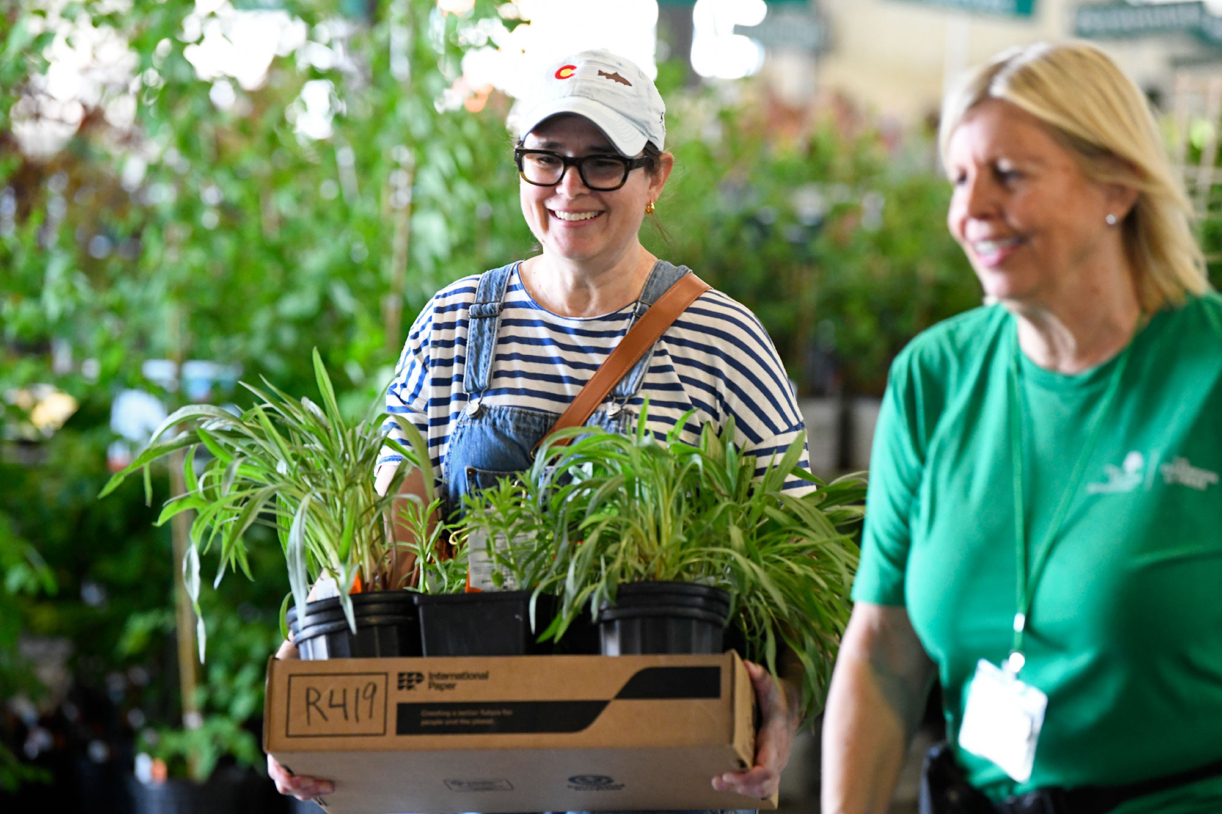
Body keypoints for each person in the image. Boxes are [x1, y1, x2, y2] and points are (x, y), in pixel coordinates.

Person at [270, 49, 811, 811]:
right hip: (478, 758)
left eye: (603, 163)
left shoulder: (719, 337)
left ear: (656, 177)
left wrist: (782, 709)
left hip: (653, 761)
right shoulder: (456, 321)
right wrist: (309, 654)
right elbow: (385, 535)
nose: (570, 188)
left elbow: (793, 559)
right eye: (546, 159)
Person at [820, 40, 1222, 814]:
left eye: (1009, 175)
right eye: (961, 178)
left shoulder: (1207, 372)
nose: (970, 212)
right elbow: (882, 654)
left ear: (1118, 184)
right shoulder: (935, 377)